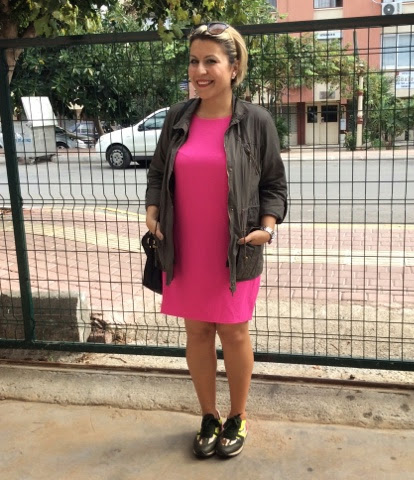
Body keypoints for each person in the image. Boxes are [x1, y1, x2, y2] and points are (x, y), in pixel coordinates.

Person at [145, 22, 287, 459]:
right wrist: (152, 209)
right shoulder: (178, 117)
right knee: (197, 331)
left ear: (234, 67)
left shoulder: (256, 121)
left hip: (235, 246)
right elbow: (157, 172)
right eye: (194, 61)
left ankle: (237, 416)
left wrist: (268, 227)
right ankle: (208, 415)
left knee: (234, 331)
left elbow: (274, 184)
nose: (199, 71)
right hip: (184, 246)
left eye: (211, 61)